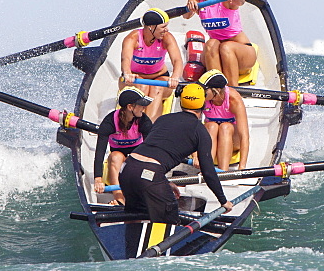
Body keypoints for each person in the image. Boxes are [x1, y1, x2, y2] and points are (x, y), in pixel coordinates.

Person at [119, 83, 233, 224]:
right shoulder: (200, 131)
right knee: (168, 223)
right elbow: (208, 171)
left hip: (127, 168)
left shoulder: (163, 119)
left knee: (134, 218)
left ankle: (129, 243)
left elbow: (151, 152)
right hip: (151, 174)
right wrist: (223, 200)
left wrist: (163, 181)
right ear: (203, 104)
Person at [183, 0, 257, 87]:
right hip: (218, 54)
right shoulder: (199, 2)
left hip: (243, 55)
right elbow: (186, 16)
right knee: (211, 43)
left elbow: (241, 1)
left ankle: (232, 91)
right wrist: (190, 2)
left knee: (226, 47)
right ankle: (216, 88)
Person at [93, 87, 154, 206]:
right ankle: (120, 199)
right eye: (141, 105)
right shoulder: (109, 123)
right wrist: (98, 178)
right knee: (115, 156)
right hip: (117, 158)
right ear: (130, 107)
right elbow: (99, 152)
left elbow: (151, 149)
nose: (144, 108)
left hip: (136, 156)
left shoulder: (143, 121)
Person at [119, 7, 183, 121]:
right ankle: (135, 124)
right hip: (134, 78)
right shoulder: (132, 38)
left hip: (159, 77)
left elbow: (177, 60)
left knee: (156, 86)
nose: (166, 30)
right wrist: (127, 73)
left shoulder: (167, 38)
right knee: (142, 88)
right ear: (150, 27)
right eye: (163, 27)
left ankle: (149, 127)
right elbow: (125, 59)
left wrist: (175, 77)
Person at [198, 69, 249, 171]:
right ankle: (207, 169)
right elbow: (192, 126)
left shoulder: (234, 100)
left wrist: (242, 166)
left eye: (204, 90)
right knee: (211, 126)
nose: (200, 93)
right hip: (212, 135)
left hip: (233, 139)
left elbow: (244, 136)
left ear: (215, 91)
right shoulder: (201, 98)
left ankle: (223, 171)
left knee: (226, 127)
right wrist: (195, 155)